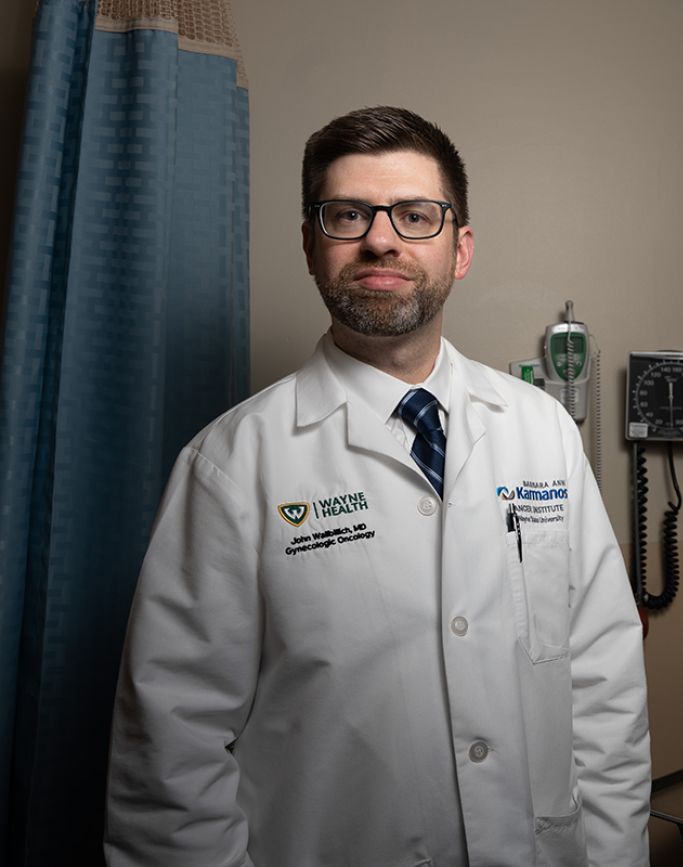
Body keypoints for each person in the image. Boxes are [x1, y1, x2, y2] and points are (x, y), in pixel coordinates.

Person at [104, 106, 651, 866]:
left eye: (415, 214)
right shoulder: (231, 464)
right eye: (348, 213)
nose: (382, 238)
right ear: (309, 244)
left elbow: (605, 688)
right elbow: (172, 755)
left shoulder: (544, 434)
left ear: (460, 249)